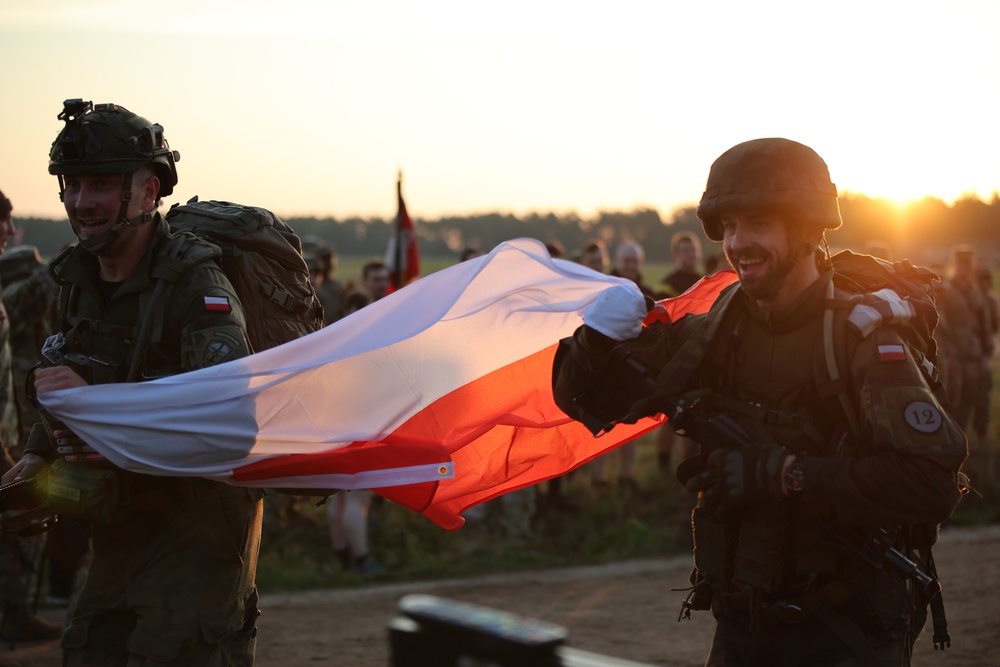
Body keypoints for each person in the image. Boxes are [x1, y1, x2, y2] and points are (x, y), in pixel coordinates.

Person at [553, 138, 967, 666]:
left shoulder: (858, 340)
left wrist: (786, 474)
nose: (738, 242)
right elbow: (587, 399)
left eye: (757, 224)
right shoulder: (716, 333)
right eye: (727, 227)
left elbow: (931, 483)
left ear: (807, 228)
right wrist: (598, 337)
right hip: (744, 628)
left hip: (845, 634)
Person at [1, 100, 263, 664]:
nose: (79, 202)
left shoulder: (198, 286)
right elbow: (67, 365)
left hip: (198, 539)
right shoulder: (77, 277)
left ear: (149, 192)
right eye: (71, 185)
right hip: (117, 532)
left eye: (99, 184)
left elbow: (231, 421)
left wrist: (99, 403)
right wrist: (36, 455)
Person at [0, 191, 63, 642]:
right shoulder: (15, 296)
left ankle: (15, 612)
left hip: (15, 429)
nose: (7, 231)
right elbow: (33, 290)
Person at [326, 259, 388, 576]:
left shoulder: (338, 335)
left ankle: (342, 555)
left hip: (341, 421)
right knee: (356, 496)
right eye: (375, 277)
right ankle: (361, 558)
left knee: (342, 496)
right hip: (358, 422)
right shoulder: (362, 336)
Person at [936, 245, 994, 434]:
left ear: (973, 266)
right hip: (955, 355)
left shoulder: (976, 291)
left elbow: (984, 323)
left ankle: (962, 436)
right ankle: (949, 436)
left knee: (970, 397)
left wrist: (986, 352)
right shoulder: (946, 290)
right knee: (952, 397)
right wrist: (946, 354)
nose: (965, 268)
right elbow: (940, 324)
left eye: (968, 265)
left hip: (974, 354)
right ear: (955, 265)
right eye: (961, 265)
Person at [971, 265, 998, 440]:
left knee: (984, 393)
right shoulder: (970, 301)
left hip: (982, 354)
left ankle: (981, 431)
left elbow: (994, 327)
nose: (985, 284)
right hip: (967, 353)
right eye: (982, 281)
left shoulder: (992, 302)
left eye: (987, 280)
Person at [658, 231, 703, 299]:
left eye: (693, 250)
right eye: (685, 251)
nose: (691, 255)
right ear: (675, 254)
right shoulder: (668, 285)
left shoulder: (703, 282)